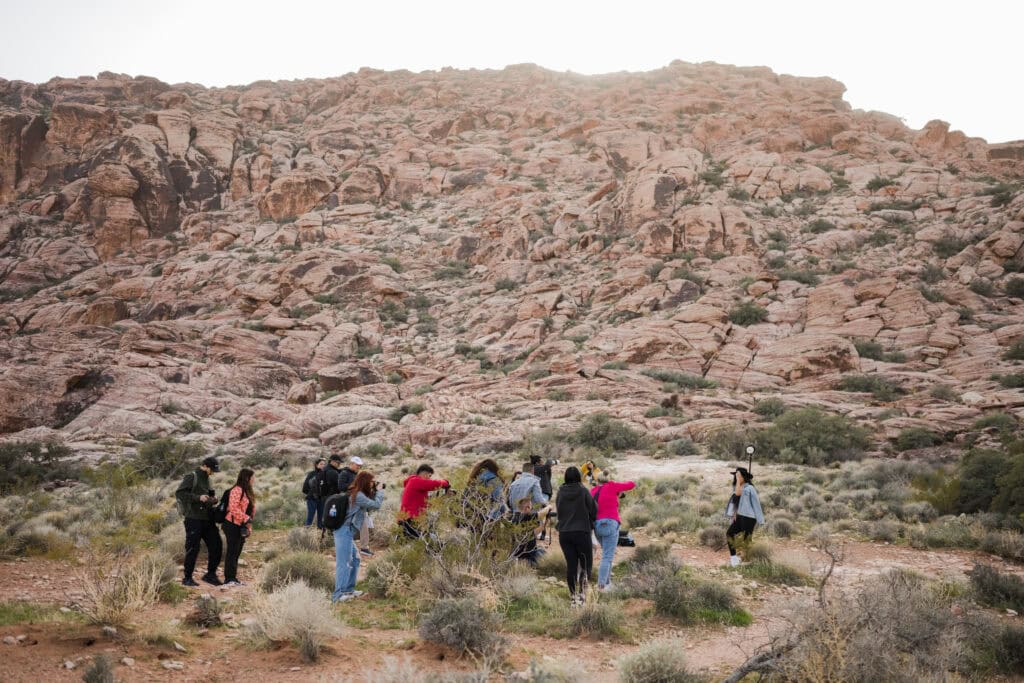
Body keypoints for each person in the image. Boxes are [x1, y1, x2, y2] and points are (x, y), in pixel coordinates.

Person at [333, 470, 384, 603]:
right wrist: (380, 491)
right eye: (372, 482)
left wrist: (374, 491)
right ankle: (338, 595)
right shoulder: (358, 495)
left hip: (347, 532)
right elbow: (376, 505)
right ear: (366, 482)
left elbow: (369, 502)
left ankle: (348, 589)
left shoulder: (358, 493)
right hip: (343, 531)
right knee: (343, 563)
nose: (373, 484)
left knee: (355, 560)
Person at [174, 456, 224, 587]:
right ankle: (187, 578)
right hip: (193, 519)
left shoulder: (208, 479)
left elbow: (208, 497)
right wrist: (198, 497)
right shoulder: (192, 476)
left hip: (208, 519)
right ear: (205, 466)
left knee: (217, 545)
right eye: (212, 469)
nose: (213, 472)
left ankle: (210, 575)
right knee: (192, 549)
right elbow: (179, 493)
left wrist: (213, 499)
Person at [556, 466, 597, 607]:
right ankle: (582, 596)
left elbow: (559, 510)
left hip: (565, 533)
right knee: (586, 565)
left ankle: (573, 598)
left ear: (565, 477)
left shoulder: (560, 492)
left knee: (571, 566)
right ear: (579, 476)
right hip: (582, 531)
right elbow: (593, 509)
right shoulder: (583, 490)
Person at [591, 474, 635, 591]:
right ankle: (601, 586)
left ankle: (607, 583)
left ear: (597, 480)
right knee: (607, 556)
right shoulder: (611, 486)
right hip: (610, 523)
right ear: (608, 479)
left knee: (607, 554)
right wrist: (630, 479)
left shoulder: (593, 490)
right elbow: (631, 485)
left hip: (597, 526)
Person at [725, 467, 765, 567]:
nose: (736, 477)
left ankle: (747, 560)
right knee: (729, 533)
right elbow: (736, 500)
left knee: (746, 540)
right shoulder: (737, 487)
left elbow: (756, 504)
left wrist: (760, 520)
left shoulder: (750, 488)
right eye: (736, 475)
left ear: (744, 477)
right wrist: (734, 513)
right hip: (739, 516)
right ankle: (734, 558)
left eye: (739, 475)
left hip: (749, 518)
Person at [222, 468, 256, 587]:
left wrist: (248, 526)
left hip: (241, 525)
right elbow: (233, 508)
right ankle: (229, 579)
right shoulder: (237, 490)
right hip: (231, 524)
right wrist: (246, 518)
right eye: (252, 477)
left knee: (237, 552)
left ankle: (233, 578)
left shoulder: (248, 491)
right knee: (232, 551)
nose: (254, 480)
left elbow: (250, 511)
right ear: (247, 478)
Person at [398, 464, 450, 539]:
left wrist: (439, 500)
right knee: (419, 542)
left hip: (407, 518)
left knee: (410, 543)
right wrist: (446, 482)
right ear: (424, 473)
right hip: (410, 519)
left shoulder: (414, 483)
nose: (429, 478)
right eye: (429, 476)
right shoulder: (415, 481)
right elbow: (434, 484)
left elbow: (424, 504)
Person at [337, 456, 374, 557]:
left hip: (356, 502)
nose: (358, 467)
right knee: (353, 524)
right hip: (349, 503)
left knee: (361, 523)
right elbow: (341, 487)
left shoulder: (356, 474)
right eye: (357, 465)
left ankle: (363, 547)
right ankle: (362, 547)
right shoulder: (344, 473)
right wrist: (355, 487)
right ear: (352, 463)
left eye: (360, 466)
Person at [509, 498, 549, 567]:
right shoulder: (526, 516)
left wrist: (545, 523)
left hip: (523, 552)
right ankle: (523, 563)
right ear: (527, 508)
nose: (531, 509)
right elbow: (541, 514)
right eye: (530, 507)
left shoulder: (516, 516)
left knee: (542, 551)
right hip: (526, 554)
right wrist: (549, 507)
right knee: (543, 560)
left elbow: (532, 533)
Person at [303, 458, 326, 529]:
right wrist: (311, 494)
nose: (323, 466)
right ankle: (306, 533)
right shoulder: (312, 474)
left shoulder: (325, 474)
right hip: (312, 499)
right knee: (310, 516)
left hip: (321, 499)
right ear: (316, 465)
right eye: (321, 464)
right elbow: (305, 488)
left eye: (324, 464)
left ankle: (320, 535)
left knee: (321, 517)